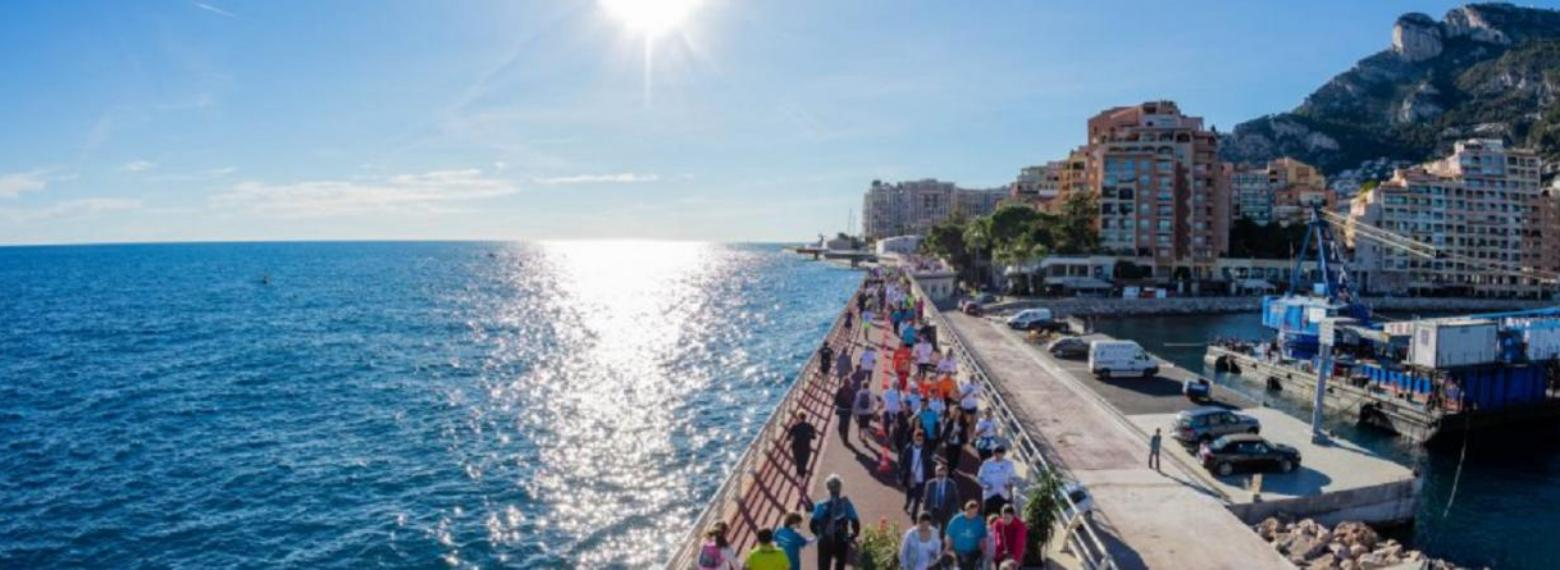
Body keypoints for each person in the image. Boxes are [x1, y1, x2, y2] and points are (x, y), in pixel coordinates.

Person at [809, 474, 860, 570]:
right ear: (840, 488)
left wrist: (819, 534)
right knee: (840, 564)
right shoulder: (846, 503)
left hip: (825, 540)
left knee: (823, 565)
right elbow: (855, 521)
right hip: (841, 539)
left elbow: (812, 525)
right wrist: (853, 535)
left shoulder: (821, 505)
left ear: (827, 488)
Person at [898, 430, 935, 516]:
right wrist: (900, 474)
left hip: (921, 477)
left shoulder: (926, 450)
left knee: (918, 497)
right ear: (913, 438)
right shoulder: (908, 449)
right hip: (911, 476)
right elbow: (903, 462)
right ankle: (907, 504)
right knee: (909, 494)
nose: (919, 441)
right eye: (917, 439)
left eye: (920, 440)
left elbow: (929, 464)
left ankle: (914, 513)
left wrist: (931, 476)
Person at [944, 501, 989, 570]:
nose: (974, 514)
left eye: (976, 512)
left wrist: (984, 552)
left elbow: (982, 539)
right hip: (958, 553)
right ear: (967, 510)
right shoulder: (956, 520)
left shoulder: (980, 521)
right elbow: (949, 536)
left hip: (973, 553)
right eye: (972, 512)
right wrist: (948, 548)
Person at [978, 446, 1018, 516]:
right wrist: (986, 486)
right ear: (993, 454)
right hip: (989, 495)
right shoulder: (986, 464)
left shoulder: (1009, 464)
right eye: (996, 454)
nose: (998, 456)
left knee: (1003, 516)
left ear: (1004, 454)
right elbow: (980, 478)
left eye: (1001, 454)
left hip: (1004, 495)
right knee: (989, 515)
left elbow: (1014, 478)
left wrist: (1009, 484)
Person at [922, 463, 960, 530]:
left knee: (944, 531)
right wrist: (924, 513)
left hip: (946, 512)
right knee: (932, 531)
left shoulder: (952, 484)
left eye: (942, 476)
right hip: (933, 511)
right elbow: (926, 499)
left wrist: (954, 512)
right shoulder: (930, 484)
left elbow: (955, 500)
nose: (939, 477)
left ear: (946, 474)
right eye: (938, 475)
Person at [787, 411, 817, 478]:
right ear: (805, 417)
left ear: (799, 417)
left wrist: (792, 437)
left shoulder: (794, 426)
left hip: (796, 446)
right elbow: (814, 437)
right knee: (804, 462)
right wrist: (808, 435)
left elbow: (788, 437)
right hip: (806, 446)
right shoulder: (810, 426)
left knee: (798, 462)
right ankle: (802, 475)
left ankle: (799, 475)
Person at [939, 407, 966, 473]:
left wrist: (964, 441)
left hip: (958, 444)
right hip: (950, 443)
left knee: (956, 460)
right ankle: (949, 473)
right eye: (956, 411)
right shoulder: (950, 421)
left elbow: (964, 433)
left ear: (961, 413)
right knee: (949, 459)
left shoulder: (962, 422)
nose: (957, 413)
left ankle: (953, 471)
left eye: (959, 412)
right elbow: (945, 432)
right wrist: (944, 440)